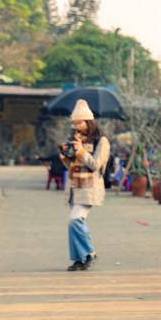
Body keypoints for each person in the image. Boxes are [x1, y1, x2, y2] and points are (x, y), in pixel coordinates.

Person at [60, 99, 110, 272]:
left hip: (90, 187)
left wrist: (80, 151)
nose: (77, 126)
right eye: (75, 123)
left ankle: (90, 253)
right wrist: (65, 156)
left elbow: (95, 164)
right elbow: (72, 166)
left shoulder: (101, 141)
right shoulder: (77, 140)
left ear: (89, 121)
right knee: (72, 222)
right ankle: (79, 259)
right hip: (75, 187)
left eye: (80, 122)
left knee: (75, 220)